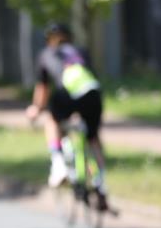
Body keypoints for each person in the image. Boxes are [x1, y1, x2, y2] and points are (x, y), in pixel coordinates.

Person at [26, 22, 108, 209]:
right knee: (93, 138)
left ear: (49, 40)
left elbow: (43, 89)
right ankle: (101, 182)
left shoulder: (47, 54)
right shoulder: (81, 51)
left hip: (67, 94)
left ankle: (58, 164)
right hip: (92, 93)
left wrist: (35, 109)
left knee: (52, 120)